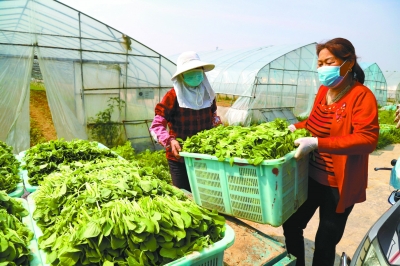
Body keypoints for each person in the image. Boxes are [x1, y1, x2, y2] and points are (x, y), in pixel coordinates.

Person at [283, 38, 379, 266]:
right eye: (320, 63)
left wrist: (319, 143)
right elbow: (315, 121)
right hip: (311, 178)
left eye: (330, 62)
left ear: (348, 63)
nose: (323, 68)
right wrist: (294, 127)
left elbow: (368, 139)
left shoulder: (361, 96)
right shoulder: (324, 90)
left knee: (325, 241)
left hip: (338, 184)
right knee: (292, 224)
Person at [149, 51, 222, 192]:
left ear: (203, 73)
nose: (195, 76)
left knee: (206, 194)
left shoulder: (208, 94)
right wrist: (169, 141)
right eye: (190, 73)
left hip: (205, 156)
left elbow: (213, 116)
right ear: (182, 76)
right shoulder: (173, 96)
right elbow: (156, 126)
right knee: (184, 195)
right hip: (180, 157)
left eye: (198, 72)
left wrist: (219, 129)